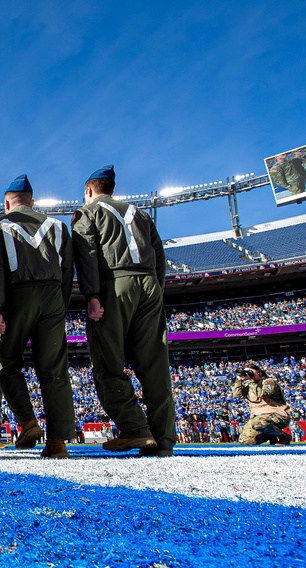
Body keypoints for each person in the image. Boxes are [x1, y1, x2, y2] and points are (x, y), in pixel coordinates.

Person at [71, 164, 176, 456]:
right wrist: (157, 291)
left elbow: (87, 253)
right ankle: (164, 440)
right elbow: (160, 256)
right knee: (155, 366)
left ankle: (134, 429)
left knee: (108, 362)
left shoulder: (87, 213)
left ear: (89, 191)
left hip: (113, 284)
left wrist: (91, 295)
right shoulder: (138, 212)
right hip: (150, 283)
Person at [0, 174, 75, 459]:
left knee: (6, 360)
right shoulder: (59, 226)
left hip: (17, 295)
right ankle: (58, 442)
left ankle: (27, 421)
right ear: (33, 202)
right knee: (54, 369)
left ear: (7, 203)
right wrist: (59, 307)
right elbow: (67, 274)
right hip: (53, 296)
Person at [232, 363, 291, 445]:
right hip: (258, 418)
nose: (248, 374)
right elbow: (236, 394)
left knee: (258, 423)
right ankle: (271, 436)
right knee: (245, 440)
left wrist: (251, 381)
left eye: (250, 372)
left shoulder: (269, 382)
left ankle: (282, 436)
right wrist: (239, 380)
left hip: (277, 415)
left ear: (259, 373)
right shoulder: (249, 386)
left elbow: (262, 394)